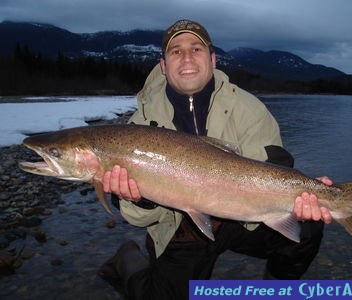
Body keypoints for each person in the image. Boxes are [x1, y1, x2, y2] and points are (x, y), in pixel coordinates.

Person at [98, 19, 333, 299]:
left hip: (241, 215)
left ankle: (274, 290)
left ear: (212, 59)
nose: (186, 57)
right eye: (176, 51)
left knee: (308, 229)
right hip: (178, 224)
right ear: (163, 66)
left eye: (196, 49)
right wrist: (140, 199)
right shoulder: (138, 127)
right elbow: (138, 219)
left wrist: (301, 198)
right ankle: (129, 260)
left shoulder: (249, 109)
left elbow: (274, 170)